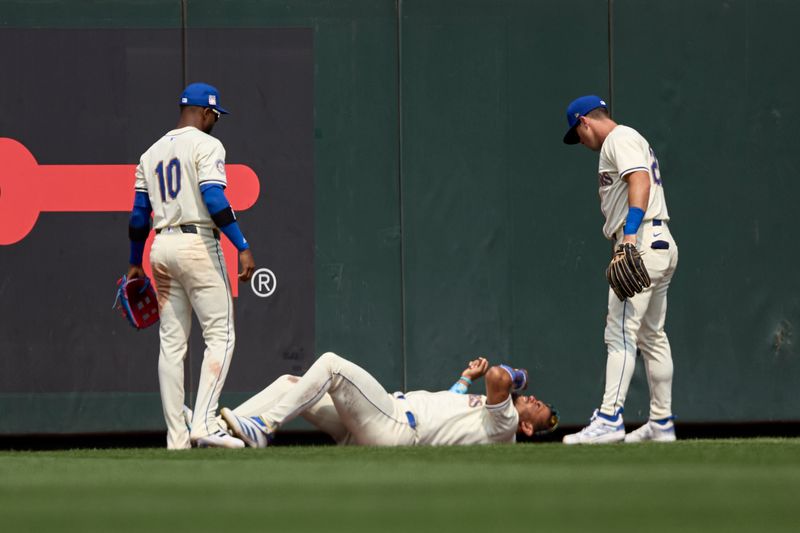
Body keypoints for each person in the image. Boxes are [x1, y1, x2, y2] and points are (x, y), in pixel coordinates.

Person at [126, 82, 256, 449]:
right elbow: (214, 199)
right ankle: (203, 422)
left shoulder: (149, 154)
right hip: (197, 243)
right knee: (220, 336)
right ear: (204, 112)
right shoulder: (207, 144)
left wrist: (135, 263)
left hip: (160, 246)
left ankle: (177, 440)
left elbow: (138, 217)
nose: (216, 120)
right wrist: (242, 246)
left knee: (171, 345)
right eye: (215, 114)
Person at [560, 95, 679, 444]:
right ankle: (661, 423)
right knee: (651, 336)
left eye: (576, 133)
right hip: (659, 241)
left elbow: (639, 182)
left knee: (620, 333)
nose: (579, 141)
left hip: (640, 240)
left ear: (584, 121)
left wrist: (628, 237)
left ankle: (610, 418)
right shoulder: (627, 139)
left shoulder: (618, 138)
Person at [218, 353, 559, 447]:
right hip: (381, 425)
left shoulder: (507, 424)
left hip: (396, 424)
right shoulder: (490, 417)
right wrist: (464, 379)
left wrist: (519, 377)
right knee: (290, 384)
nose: (531, 397)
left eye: (536, 405)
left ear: (527, 426)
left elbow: (499, 377)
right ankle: (218, 431)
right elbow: (449, 403)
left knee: (331, 366)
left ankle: (263, 426)